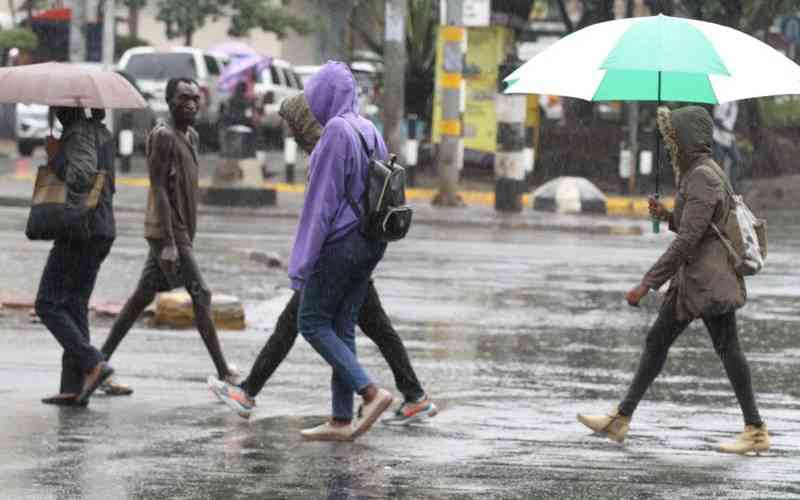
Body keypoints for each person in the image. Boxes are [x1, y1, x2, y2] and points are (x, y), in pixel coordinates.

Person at [207, 92, 437, 425]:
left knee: (308, 323)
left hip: (335, 254)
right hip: (357, 248)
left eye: (291, 124)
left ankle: (375, 395)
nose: (289, 132)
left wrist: (304, 260)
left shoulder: (332, 146)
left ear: (304, 121)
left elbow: (320, 214)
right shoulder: (351, 136)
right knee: (356, 326)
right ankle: (382, 404)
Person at [577, 106, 769, 455]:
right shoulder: (702, 172)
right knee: (660, 341)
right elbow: (696, 225)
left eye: (674, 138)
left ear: (689, 139)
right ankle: (621, 418)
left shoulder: (702, 176)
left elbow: (688, 240)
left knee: (724, 349)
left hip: (707, 282)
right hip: (697, 280)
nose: (670, 145)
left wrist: (647, 283)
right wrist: (668, 214)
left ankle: (755, 429)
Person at [99, 78, 237, 386]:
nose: (190, 103)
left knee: (140, 298)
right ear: (169, 101)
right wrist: (171, 243)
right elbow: (159, 188)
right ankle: (223, 370)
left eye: (195, 98)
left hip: (182, 229)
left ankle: (98, 361)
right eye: (183, 98)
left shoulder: (192, 137)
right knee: (201, 294)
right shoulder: (163, 136)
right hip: (169, 230)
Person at [37, 107, 116, 406]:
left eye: (57, 106)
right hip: (101, 228)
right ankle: (74, 386)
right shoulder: (101, 132)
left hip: (80, 230)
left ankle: (93, 363)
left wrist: (56, 155)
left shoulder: (79, 133)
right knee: (74, 304)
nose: (54, 111)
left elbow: (81, 176)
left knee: (47, 303)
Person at [712, 101, 740, 192]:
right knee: (718, 165)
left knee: (737, 160)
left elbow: (730, 122)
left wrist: (731, 132)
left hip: (729, 138)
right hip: (718, 137)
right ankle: (718, 190)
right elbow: (717, 120)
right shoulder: (723, 102)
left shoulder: (734, 104)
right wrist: (728, 131)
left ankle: (733, 187)